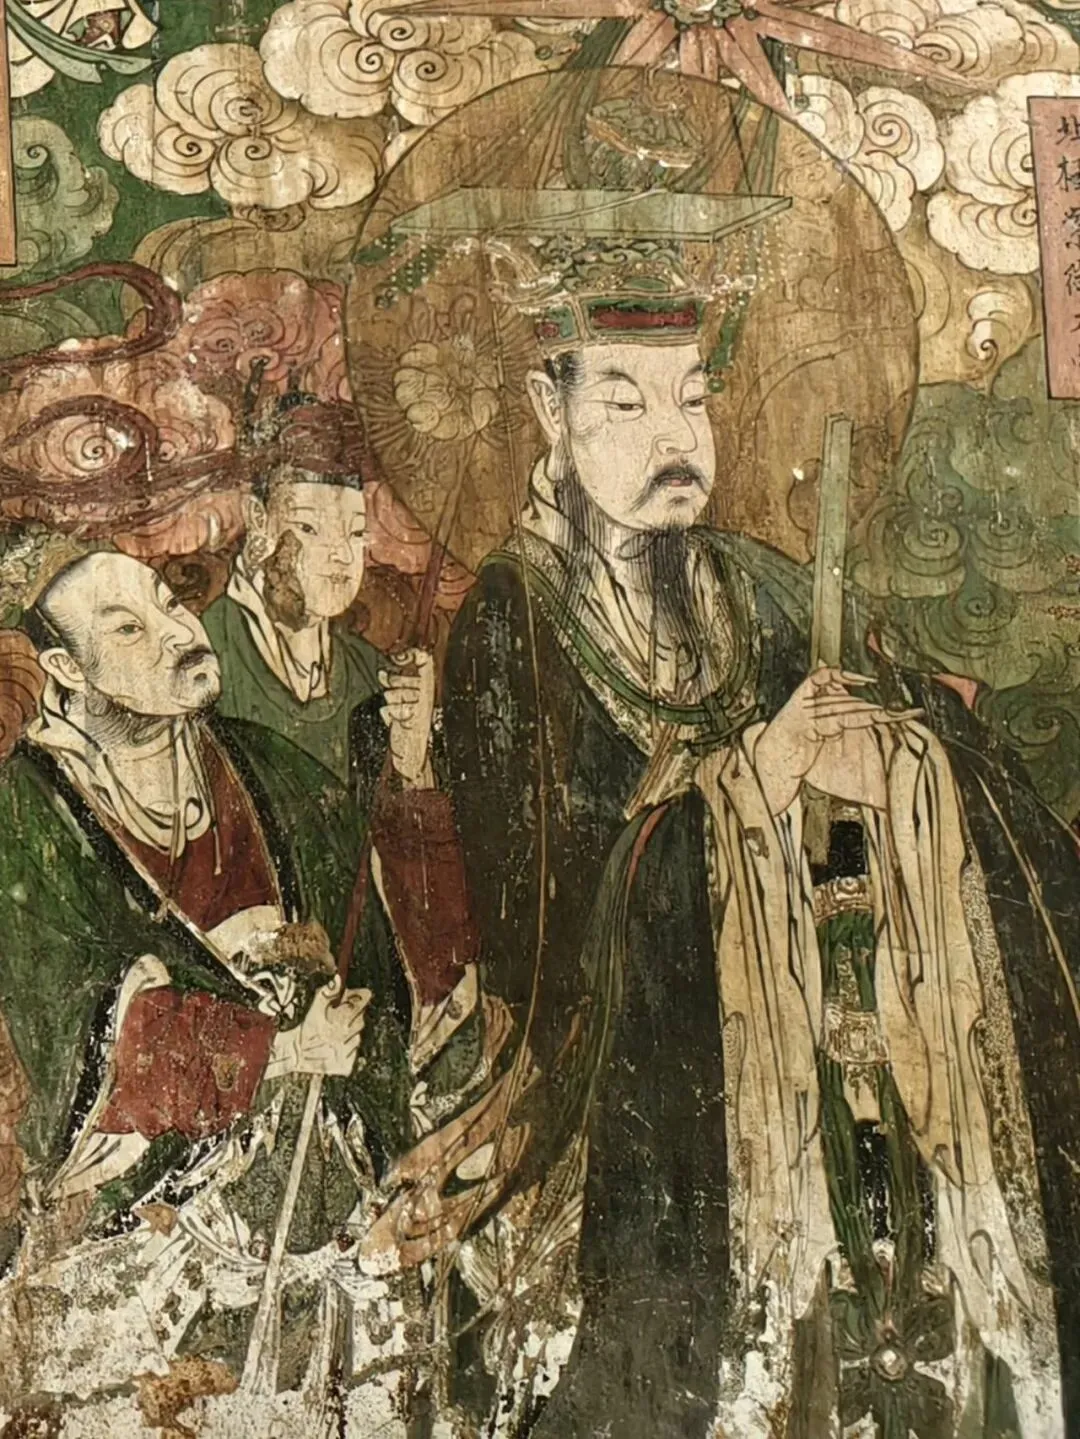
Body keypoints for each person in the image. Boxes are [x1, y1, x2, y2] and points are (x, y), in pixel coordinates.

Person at [440, 210, 1080, 1437]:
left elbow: (947, 755)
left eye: (694, 399)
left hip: (840, 1030)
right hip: (655, 1087)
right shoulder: (511, 624)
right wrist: (750, 782)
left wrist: (891, 762)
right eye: (626, 402)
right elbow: (547, 917)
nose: (677, 439)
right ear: (546, 410)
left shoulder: (757, 585)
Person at [0, 544, 477, 1420]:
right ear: (66, 670)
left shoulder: (268, 771)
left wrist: (411, 775)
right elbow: (74, 1031)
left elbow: (415, 963)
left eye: (169, 605)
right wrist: (281, 1049)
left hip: (323, 1225)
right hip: (148, 1244)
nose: (176, 631)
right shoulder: (27, 813)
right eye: (129, 628)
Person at [202, 397, 480, 1082]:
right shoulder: (200, 660)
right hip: (251, 1000)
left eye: (355, 532)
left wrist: (412, 759)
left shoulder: (369, 677)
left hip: (367, 1002)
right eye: (310, 526)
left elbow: (420, 891)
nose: (337, 555)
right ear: (259, 521)